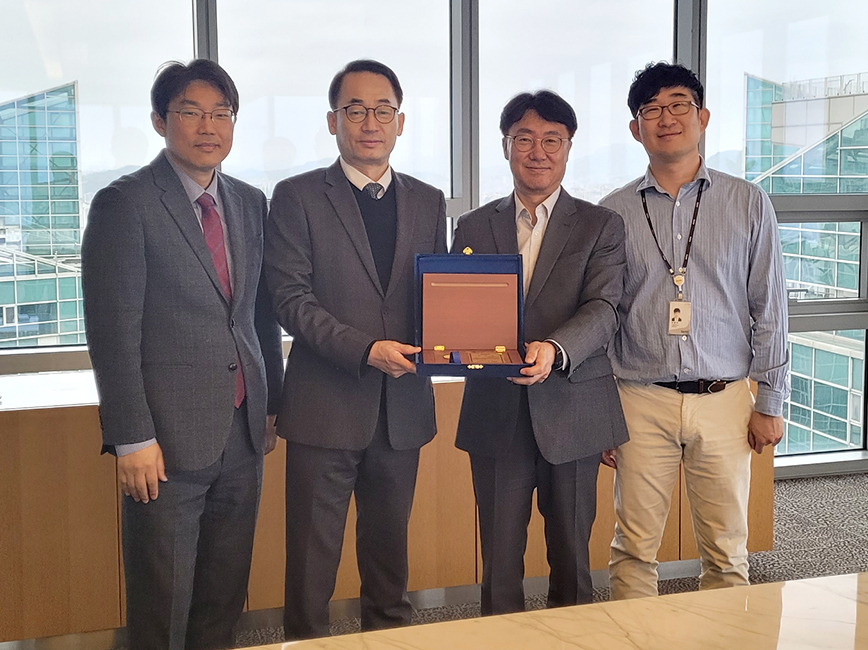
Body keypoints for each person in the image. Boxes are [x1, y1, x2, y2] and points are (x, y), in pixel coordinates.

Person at [81, 59, 284, 650]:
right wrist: (131, 437)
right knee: (162, 603)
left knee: (223, 599)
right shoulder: (126, 203)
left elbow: (257, 314)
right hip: (164, 445)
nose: (208, 126)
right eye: (190, 112)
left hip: (243, 435)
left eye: (221, 114)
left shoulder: (248, 202)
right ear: (158, 120)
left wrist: (270, 403)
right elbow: (113, 332)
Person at [264, 59, 447, 640]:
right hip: (325, 408)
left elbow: (433, 296)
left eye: (382, 110)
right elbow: (290, 299)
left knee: (390, 562)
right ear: (332, 120)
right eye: (356, 109)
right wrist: (366, 348)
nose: (370, 121)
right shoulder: (296, 197)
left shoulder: (427, 200)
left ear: (400, 122)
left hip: (403, 411)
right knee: (312, 568)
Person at [600, 62, 789, 600]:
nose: (667, 118)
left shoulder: (748, 202)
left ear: (702, 117)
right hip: (639, 398)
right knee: (633, 550)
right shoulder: (613, 212)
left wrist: (771, 400)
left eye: (679, 105)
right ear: (636, 128)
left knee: (727, 553)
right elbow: (604, 315)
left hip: (725, 397)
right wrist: (601, 411)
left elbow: (770, 307)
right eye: (651, 109)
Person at [450, 90, 629, 615]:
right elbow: (456, 307)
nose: (538, 151)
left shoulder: (600, 226)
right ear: (506, 147)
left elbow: (605, 308)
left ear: (569, 148)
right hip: (495, 412)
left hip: (573, 410)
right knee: (499, 561)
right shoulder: (473, 226)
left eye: (553, 140)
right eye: (524, 139)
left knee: (573, 559)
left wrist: (554, 348)